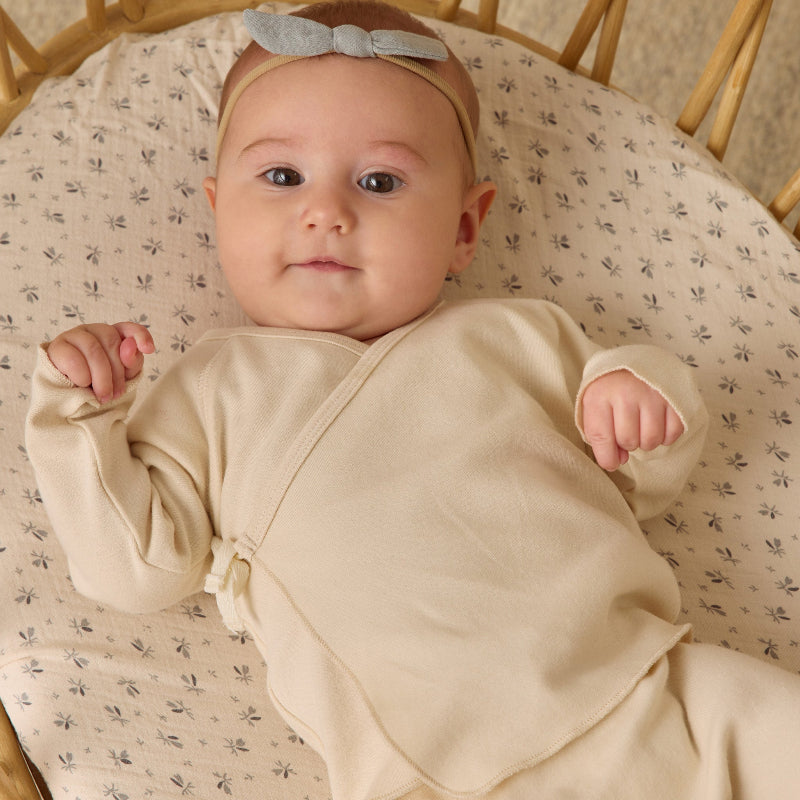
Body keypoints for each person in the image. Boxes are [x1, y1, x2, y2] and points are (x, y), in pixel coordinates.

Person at [24, 2, 800, 798]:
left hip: (651, 683)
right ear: (219, 209)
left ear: (465, 228)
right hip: (438, 770)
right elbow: (137, 569)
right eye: (282, 176)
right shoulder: (211, 391)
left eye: (381, 181)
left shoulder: (520, 336)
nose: (326, 211)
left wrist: (638, 396)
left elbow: (644, 476)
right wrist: (78, 416)